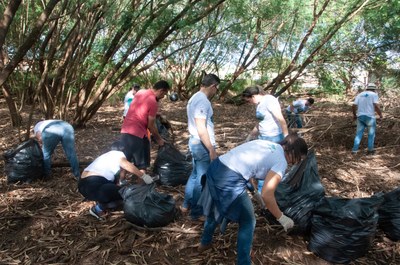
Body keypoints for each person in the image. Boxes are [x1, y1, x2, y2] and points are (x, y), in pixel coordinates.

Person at [198, 133, 308, 265]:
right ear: (293, 152)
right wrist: (281, 217)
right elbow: (267, 194)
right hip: (229, 180)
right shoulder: (281, 162)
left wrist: (252, 191)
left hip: (216, 168)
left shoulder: (267, 144)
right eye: (298, 159)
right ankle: (243, 262)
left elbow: (245, 163)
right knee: (248, 221)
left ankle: (204, 243)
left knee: (215, 207)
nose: (296, 163)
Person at [78, 141, 154, 220]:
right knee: (127, 195)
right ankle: (98, 208)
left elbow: (120, 172)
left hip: (83, 186)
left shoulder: (106, 157)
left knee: (117, 191)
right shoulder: (119, 154)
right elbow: (125, 165)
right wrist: (144, 176)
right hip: (95, 185)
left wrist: (120, 182)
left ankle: (101, 201)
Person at [181, 73, 221, 221]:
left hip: (195, 141)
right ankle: (197, 212)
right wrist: (211, 148)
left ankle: (186, 205)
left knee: (195, 175)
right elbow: (201, 126)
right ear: (213, 86)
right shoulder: (203, 101)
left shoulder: (194, 97)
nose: (216, 92)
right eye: (216, 89)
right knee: (201, 179)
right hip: (202, 144)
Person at [242, 86, 289, 192]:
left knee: (267, 166)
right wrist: (250, 136)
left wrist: (286, 138)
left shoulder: (269, 101)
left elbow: (281, 120)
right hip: (263, 138)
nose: (250, 102)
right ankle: (263, 192)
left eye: (249, 100)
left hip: (274, 137)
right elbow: (260, 123)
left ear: (254, 96)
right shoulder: (259, 104)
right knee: (261, 164)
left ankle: (267, 193)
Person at [121, 80, 170, 174]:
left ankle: (120, 182)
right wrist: (159, 139)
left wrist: (155, 114)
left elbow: (141, 109)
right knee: (142, 165)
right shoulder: (153, 101)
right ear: (161, 90)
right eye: (164, 94)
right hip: (138, 134)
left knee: (125, 160)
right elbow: (151, 125)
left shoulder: (140, 92)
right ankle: (142, 187)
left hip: (125, 130)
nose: (163, 97)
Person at [352, 83, 383, 155]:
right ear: (374, 89)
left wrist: (354, 115)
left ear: (367, 88)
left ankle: (354, 150)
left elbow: (353, 105)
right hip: (370, 117)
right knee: (371, 134)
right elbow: (376, 106)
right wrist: (380, 115)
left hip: (360, 117)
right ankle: (370, 150)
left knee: (358, 134)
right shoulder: (374, 95)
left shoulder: (360, 94)